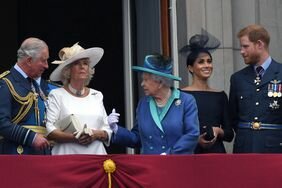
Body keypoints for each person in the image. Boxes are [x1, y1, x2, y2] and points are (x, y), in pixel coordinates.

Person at [108, 54, 199, 154]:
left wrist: (170, 154)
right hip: (150, 166)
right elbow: (137, 138)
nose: (142, 84)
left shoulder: (186, 101)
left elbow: (192, 134)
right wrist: (116, 129)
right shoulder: (143, 104)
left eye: (146, 80)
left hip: (177, 165)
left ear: (160, 82)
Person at [45, 42, 112, 155]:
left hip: (96, 158)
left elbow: (107, 130)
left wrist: (95, 135)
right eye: (77, 63)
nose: (82, 67)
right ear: (68, 71)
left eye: (85, 63)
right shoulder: (57, 94)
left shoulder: (97, 95)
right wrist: (75, 137)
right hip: (67, 158)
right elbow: (50, 130)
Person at [229, 24, 282, 153]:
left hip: (274, 148)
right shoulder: (238, 78)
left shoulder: (280, 72)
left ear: (259, 44)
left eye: (245, 46)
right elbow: (233, 116)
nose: (241, 51)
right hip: (244, 147)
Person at [180, 33, 234, 153]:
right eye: (201, 62)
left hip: (216, 154)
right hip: (190, 153)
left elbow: (229, 134)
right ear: (190, 68)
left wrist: (218, 131)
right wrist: (195, 139)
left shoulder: (220, 95)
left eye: (209, 61)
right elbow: (175, 130)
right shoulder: (180, 95)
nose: (207, 65)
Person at [0, 37, 52, 154]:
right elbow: (1, 123)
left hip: (40, 154)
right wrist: (31, 138)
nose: (46, 66)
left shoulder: (36, 84)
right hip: (17, 154)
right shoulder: (5, 83)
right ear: (29, 60)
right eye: (43, 60)